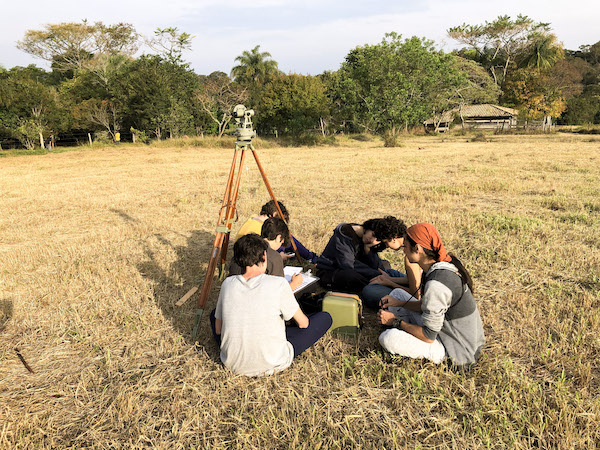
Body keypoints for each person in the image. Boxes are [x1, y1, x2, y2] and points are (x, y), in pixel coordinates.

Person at [211, 234, 332, 377]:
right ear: (264, 256)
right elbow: (303, 324)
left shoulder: (228, 284)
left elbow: (218, 330)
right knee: (325, 317)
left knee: (214, 314)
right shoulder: (278, 284)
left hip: (232, 364)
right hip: (273, 362)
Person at [377, 223, 485, 367]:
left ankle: (404, 331)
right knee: (397, 294)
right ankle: (405, 326)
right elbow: (426, 305)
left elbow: (428, 335)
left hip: (457, 350)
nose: (404, 252)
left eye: (405, 247)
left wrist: (395, 322)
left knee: (388, 338)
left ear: (417, 249)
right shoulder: (441, 265)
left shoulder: (437, 284)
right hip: (449, 332)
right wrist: (397, 302)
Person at [315, 216, 407, 294]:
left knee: (384, 265)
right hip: (331, 270)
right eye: (373, 234)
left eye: (378, 240)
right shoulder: (344, 234)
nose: (373, 240)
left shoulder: (371, 242)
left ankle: (387, 284)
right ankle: (383, 287)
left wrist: (368, 250)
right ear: (368, 227)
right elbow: (347, 265)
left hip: (355, 266)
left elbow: (376, 265)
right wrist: (376, 274)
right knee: (351, 276)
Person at [229, 218, 303, 290]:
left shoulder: (242, 249)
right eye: (282, 241)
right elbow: (278, 293)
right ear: (278, 237)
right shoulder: (273, 257)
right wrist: (294, 284)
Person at [236, 200, 317, 263]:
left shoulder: (254, 217)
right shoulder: (263, 228)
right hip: (251, 256)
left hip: (239, 254)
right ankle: (310, 256)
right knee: (287, 239)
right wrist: (277, 256)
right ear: (275, 215)